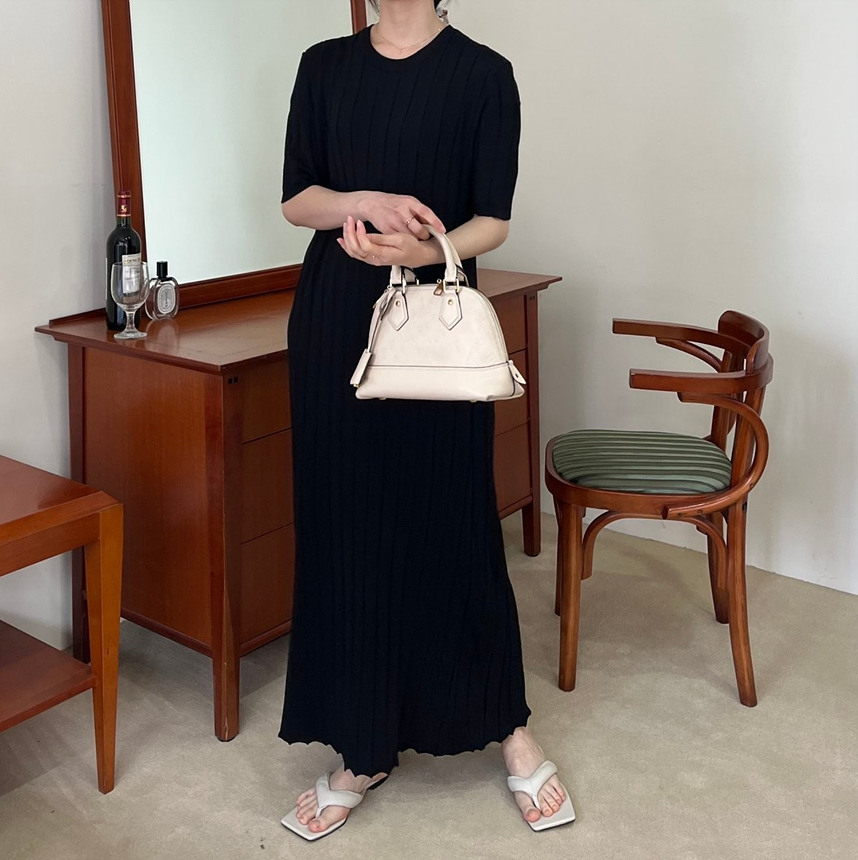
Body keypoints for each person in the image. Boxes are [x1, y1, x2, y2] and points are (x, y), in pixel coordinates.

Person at [277, 0, 574, 840]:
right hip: (336, 322)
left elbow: (493, 219)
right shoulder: (323, 66)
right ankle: (362, 745)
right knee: (348, 531)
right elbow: (297, 200)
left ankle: (508, 727)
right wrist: (363, 202)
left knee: (453, 521)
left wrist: (418, 252)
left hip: (434, 331)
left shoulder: (483, 74)